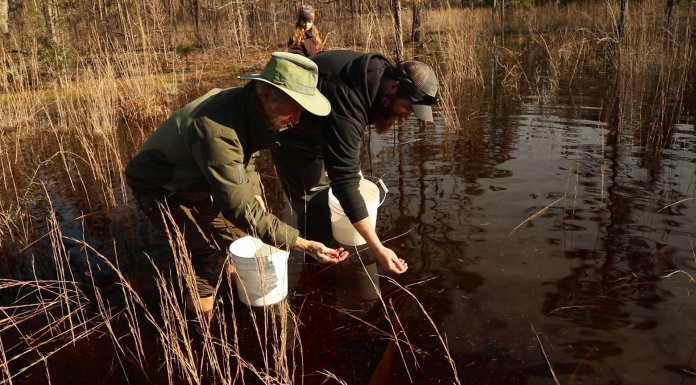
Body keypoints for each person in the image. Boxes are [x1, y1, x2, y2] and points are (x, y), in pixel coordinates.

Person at [126, 52, 349, 318]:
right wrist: (304, 244)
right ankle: (203, 333)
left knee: (238, 239)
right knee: (206, 258)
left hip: (197, 182)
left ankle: (236, 304)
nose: (297, 120)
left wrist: (252, 192)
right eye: (294, 110)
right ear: (267, 95)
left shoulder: (248, 106)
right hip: (161, 188)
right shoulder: (217, 128)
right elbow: (237, 207)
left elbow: (247, 157)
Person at [270, 50, 439, 275]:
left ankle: (325, 256)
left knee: (345, 184)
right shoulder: (347, 97)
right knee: (315, 202)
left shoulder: (374, 75)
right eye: (408, 108)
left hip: (322, 127)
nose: (407, 116)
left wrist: (353, 170)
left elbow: (343, 139)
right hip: (292, 132)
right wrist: (378, 249)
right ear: (394, 86)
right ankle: (318, 269)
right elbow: (343, 181)